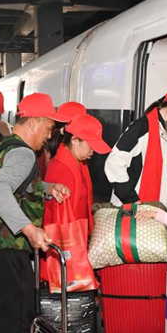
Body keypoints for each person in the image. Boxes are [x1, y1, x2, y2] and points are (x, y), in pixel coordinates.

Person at [0, 93, 69, 333]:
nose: (49, 136)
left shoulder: (6, 145)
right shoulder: (24, 154)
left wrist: (47, 188)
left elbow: (19, 185)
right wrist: (29, 229)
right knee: (18, 327)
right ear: (33, 123)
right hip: (9, 250)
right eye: (49, 128)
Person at [42, 113, 111, 285]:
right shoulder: (62, 169)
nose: (93, 151)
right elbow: (61, 223)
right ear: (74, 140)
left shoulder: (77, 163)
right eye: (90, 145)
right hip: (67, 252)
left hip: (75, 247)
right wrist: (74, 258)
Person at [105, 86, 167, 209]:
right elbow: (114, 163)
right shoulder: (141, 128)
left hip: (156, 209)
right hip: (132, 207)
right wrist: (132, 200)